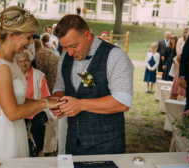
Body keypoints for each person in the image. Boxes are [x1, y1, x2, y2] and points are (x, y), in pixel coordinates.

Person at [0, 6, 63, 160]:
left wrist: (44, 100)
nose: (30, 43)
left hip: (12, 128)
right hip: (2, 134)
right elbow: (12, 112)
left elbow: (15, 99)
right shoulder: (1, 66)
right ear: (12, 35)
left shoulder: (11, 60)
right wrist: (44, 105)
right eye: (28, 37)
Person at [51, 14, 134, 155]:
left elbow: (122, 102)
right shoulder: (65, 57)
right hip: (73, 142)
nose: (70, 53)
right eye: (65, 47)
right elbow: (60, 87)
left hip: (106, 145)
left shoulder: (115, 56)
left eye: (73, 46)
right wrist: (57, 102)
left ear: (87, 35)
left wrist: (81, 105)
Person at [15, 49, 50, 157]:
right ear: (17, 63)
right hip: (21, 109)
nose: (23, 64)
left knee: (37, 126)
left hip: (37, 109)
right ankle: (24, 152)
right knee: (17, 126)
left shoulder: (39, 75)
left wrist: (38, 104)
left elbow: (45, 97)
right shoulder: (14, 77)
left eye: (25, 60)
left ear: (30, 61)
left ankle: (40, 151)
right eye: (20, 61)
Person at [170, 28, 188, 100]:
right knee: (175, 90)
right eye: (185, 32)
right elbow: (178, 54)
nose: (186, 34)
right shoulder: (181, 40)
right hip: (180, 64)